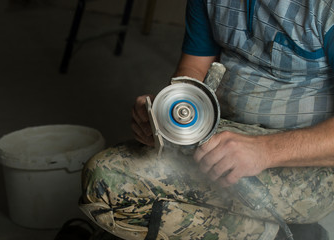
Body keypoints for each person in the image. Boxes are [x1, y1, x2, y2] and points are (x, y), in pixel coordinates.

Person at [80, 0, 334, 239]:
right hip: (224, 132)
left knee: (116, 193)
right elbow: (194, 68)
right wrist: (169, 115)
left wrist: (265, 151)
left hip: (307, 154)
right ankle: (270, 232)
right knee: (103, 177)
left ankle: (292, 233)